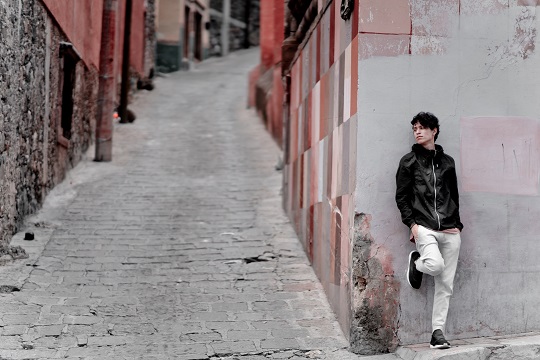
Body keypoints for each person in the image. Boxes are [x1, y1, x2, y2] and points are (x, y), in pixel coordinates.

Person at [395, 112, 463, 349]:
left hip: (450, 229)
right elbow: (401, 197)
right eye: (415, 128)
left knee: (446, 285)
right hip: (423, 226)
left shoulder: (448, 162)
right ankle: (417, 264)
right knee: (434, 265)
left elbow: (453, 195)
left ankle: (437, 333)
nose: (418, 132)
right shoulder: (408, 162)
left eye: (422, 127)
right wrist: (412, 225)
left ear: (434, 130)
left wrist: (457, 224)